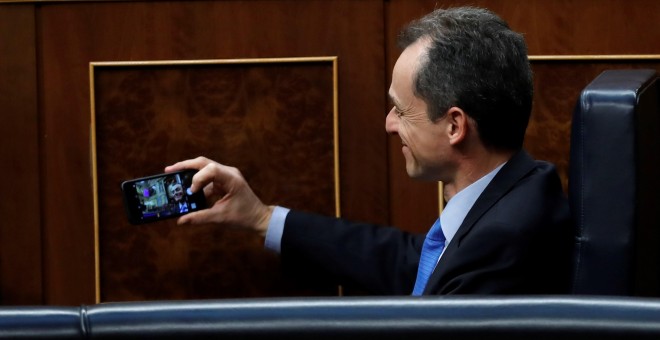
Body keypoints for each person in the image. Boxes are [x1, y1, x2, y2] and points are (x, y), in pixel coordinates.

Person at [165, 6, 573, 295]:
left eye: (401, 110)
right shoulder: (517, 191)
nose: (389, 124)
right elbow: (409, 263)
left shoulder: (504, 241)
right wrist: (260, 217)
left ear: (454, 126)